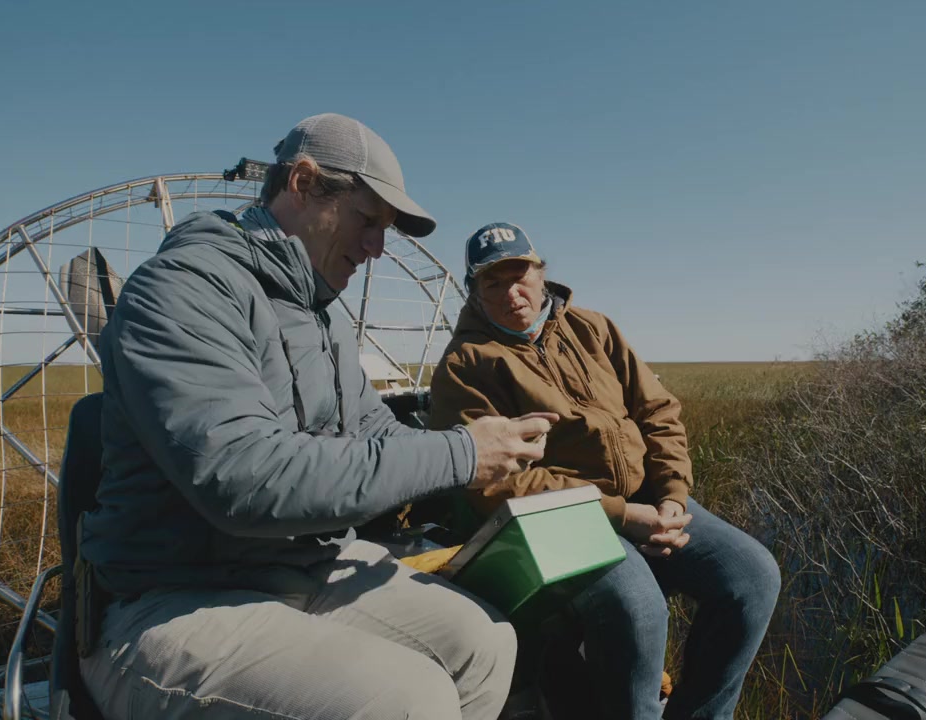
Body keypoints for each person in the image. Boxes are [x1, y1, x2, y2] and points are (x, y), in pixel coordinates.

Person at [78, 116, 556, 719]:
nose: (377, 248)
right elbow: (245, 478)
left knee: (485, 644)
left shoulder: (321, 314)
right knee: (409, 699)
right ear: (303, 184)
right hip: (175, 594)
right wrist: (460, 454)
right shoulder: (182, 289)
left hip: (298, 568)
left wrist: (486, 452)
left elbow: (374, 432)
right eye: (368, 220)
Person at [429, 222, 782, 720]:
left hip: (647, 500)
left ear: (541, 274)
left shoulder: (593, 328)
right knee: (637, 606)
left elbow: (658, 411)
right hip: (558, 519)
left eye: (520, 275)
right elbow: (499, 482)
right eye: (493, 282)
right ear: (474, 291)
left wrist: (672, 496)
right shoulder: (465, 365)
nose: (512, 292)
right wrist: (621, 516)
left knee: (752, 576)